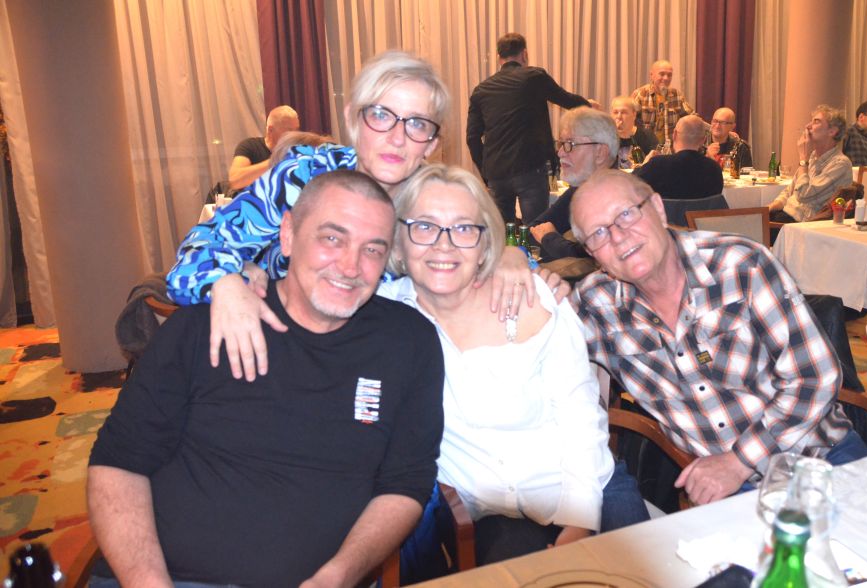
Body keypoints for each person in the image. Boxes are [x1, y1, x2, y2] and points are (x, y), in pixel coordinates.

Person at [88, 170, 446, 588]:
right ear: (288, 235)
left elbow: (406, 481)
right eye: (332, 238)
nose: (351, 266)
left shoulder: (408, 342)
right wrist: (148, 582)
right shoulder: (204, 327)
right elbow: (118, 463)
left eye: (372, 249)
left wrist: (338, 575)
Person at [167, 51, 536, 382]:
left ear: (432, 143)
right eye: (381, 115)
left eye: (417, 123)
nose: (397, 138)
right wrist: (224, 283)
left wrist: (511, 255)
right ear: (353, 120)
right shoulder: (304, 177)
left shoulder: (435, 203)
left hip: (377, 372)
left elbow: (488, 249)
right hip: (275, 356)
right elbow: (197, 252)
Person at [380, 164, 647, 565]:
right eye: (424, 226)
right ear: (398, 241)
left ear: (485, 243)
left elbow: (579, 418)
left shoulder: (533, 297)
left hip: (589, 483)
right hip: (489, 516)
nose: (444, 245)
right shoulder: (384, 316)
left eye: (464, 228)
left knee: (647, 572)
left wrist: (579, 523)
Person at [569, 169, 867, 506]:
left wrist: (739, 462)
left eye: (626, 214)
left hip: (821, 458)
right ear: (592, 254)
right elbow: (533, 346)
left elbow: (815, 377)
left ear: (658, 208)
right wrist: (526, 277)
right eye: (598, 233)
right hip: (734, 494)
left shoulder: (741, 265)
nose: (618, 237)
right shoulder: (595, 308)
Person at [466, 32, 591, 225]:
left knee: (502, 232)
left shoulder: (481, 90)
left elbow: (472, 138)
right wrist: (589, 106)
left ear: (499, 57)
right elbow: (566, 99)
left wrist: (486, 173)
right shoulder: (534, 77)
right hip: (530, 169)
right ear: (524, 54)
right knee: (535, 229)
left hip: (497, 172)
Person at [529, 107, 617, 263]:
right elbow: (534, 231)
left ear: (600, 153)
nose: (560, 153)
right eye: (561, 144)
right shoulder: (580, 191)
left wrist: (551, 239)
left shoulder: (618, 199)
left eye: (570, 144)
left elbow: (595, 258)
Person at [769, 105, 853, 223]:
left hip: (803, 223)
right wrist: (771, 206)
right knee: (753, 217)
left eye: (816, 122)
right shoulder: (813, 156)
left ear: (832, 131)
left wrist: (803, 159)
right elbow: (790, 190)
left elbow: (802, 195)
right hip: (786, 214)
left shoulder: (840, 163)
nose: (808, 126)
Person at [635, 115, 723, 199]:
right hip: (701, 210)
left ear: (674, 135)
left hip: (666, 210)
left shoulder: (657, 165)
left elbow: (632, 186)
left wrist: (644, 165)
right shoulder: (714, 169)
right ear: (703, 140)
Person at [228, 105, 300, 190]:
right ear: (270, 130)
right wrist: (275, 161)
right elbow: (235, 180)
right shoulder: (250, 146)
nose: (295, 135)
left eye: (296, 129)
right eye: (289, 131)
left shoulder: (298, 150)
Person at [630, 59, 695, 147]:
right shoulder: (640, 94)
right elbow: (629, 119)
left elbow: (691, 118)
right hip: (646, 148)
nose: (666, 78)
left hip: (670, 149)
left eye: (669, 75)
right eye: (662, 74)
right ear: (652, 75)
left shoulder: (676, 95)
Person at [610, 95, 658, 168]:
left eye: (624, 112)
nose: (619, 116)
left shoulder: (647, 136)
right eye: (615, 112)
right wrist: (613, 135)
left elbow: (656, 164)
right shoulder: (607, 137)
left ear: (634, 115)